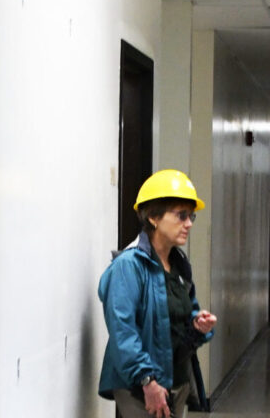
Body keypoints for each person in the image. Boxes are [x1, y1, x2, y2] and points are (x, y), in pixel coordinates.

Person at [98, 169, 218, 418]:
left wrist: (197, 324)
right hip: (142, 388)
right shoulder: (128, 267)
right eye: (181, 215)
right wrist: (147, 381)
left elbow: (182, 314)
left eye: (191, 216)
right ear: (153, 217)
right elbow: (123, 332)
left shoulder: (178, 264)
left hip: (176, 381)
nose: (189, 224)